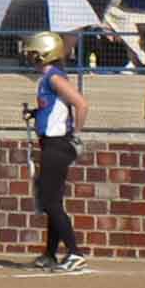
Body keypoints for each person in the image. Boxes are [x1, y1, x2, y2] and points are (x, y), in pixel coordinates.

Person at [20, 31, 89, 272]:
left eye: (34, 53)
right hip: (50, 144)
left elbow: (81, 104)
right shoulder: (48, 77)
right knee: (52, 200)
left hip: (58, 144)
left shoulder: (54, 77)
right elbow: (55, 111)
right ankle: (50, 253)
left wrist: (76, 134)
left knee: (49, 201)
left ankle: (74, 252)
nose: (30, 57)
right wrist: (36, 114)